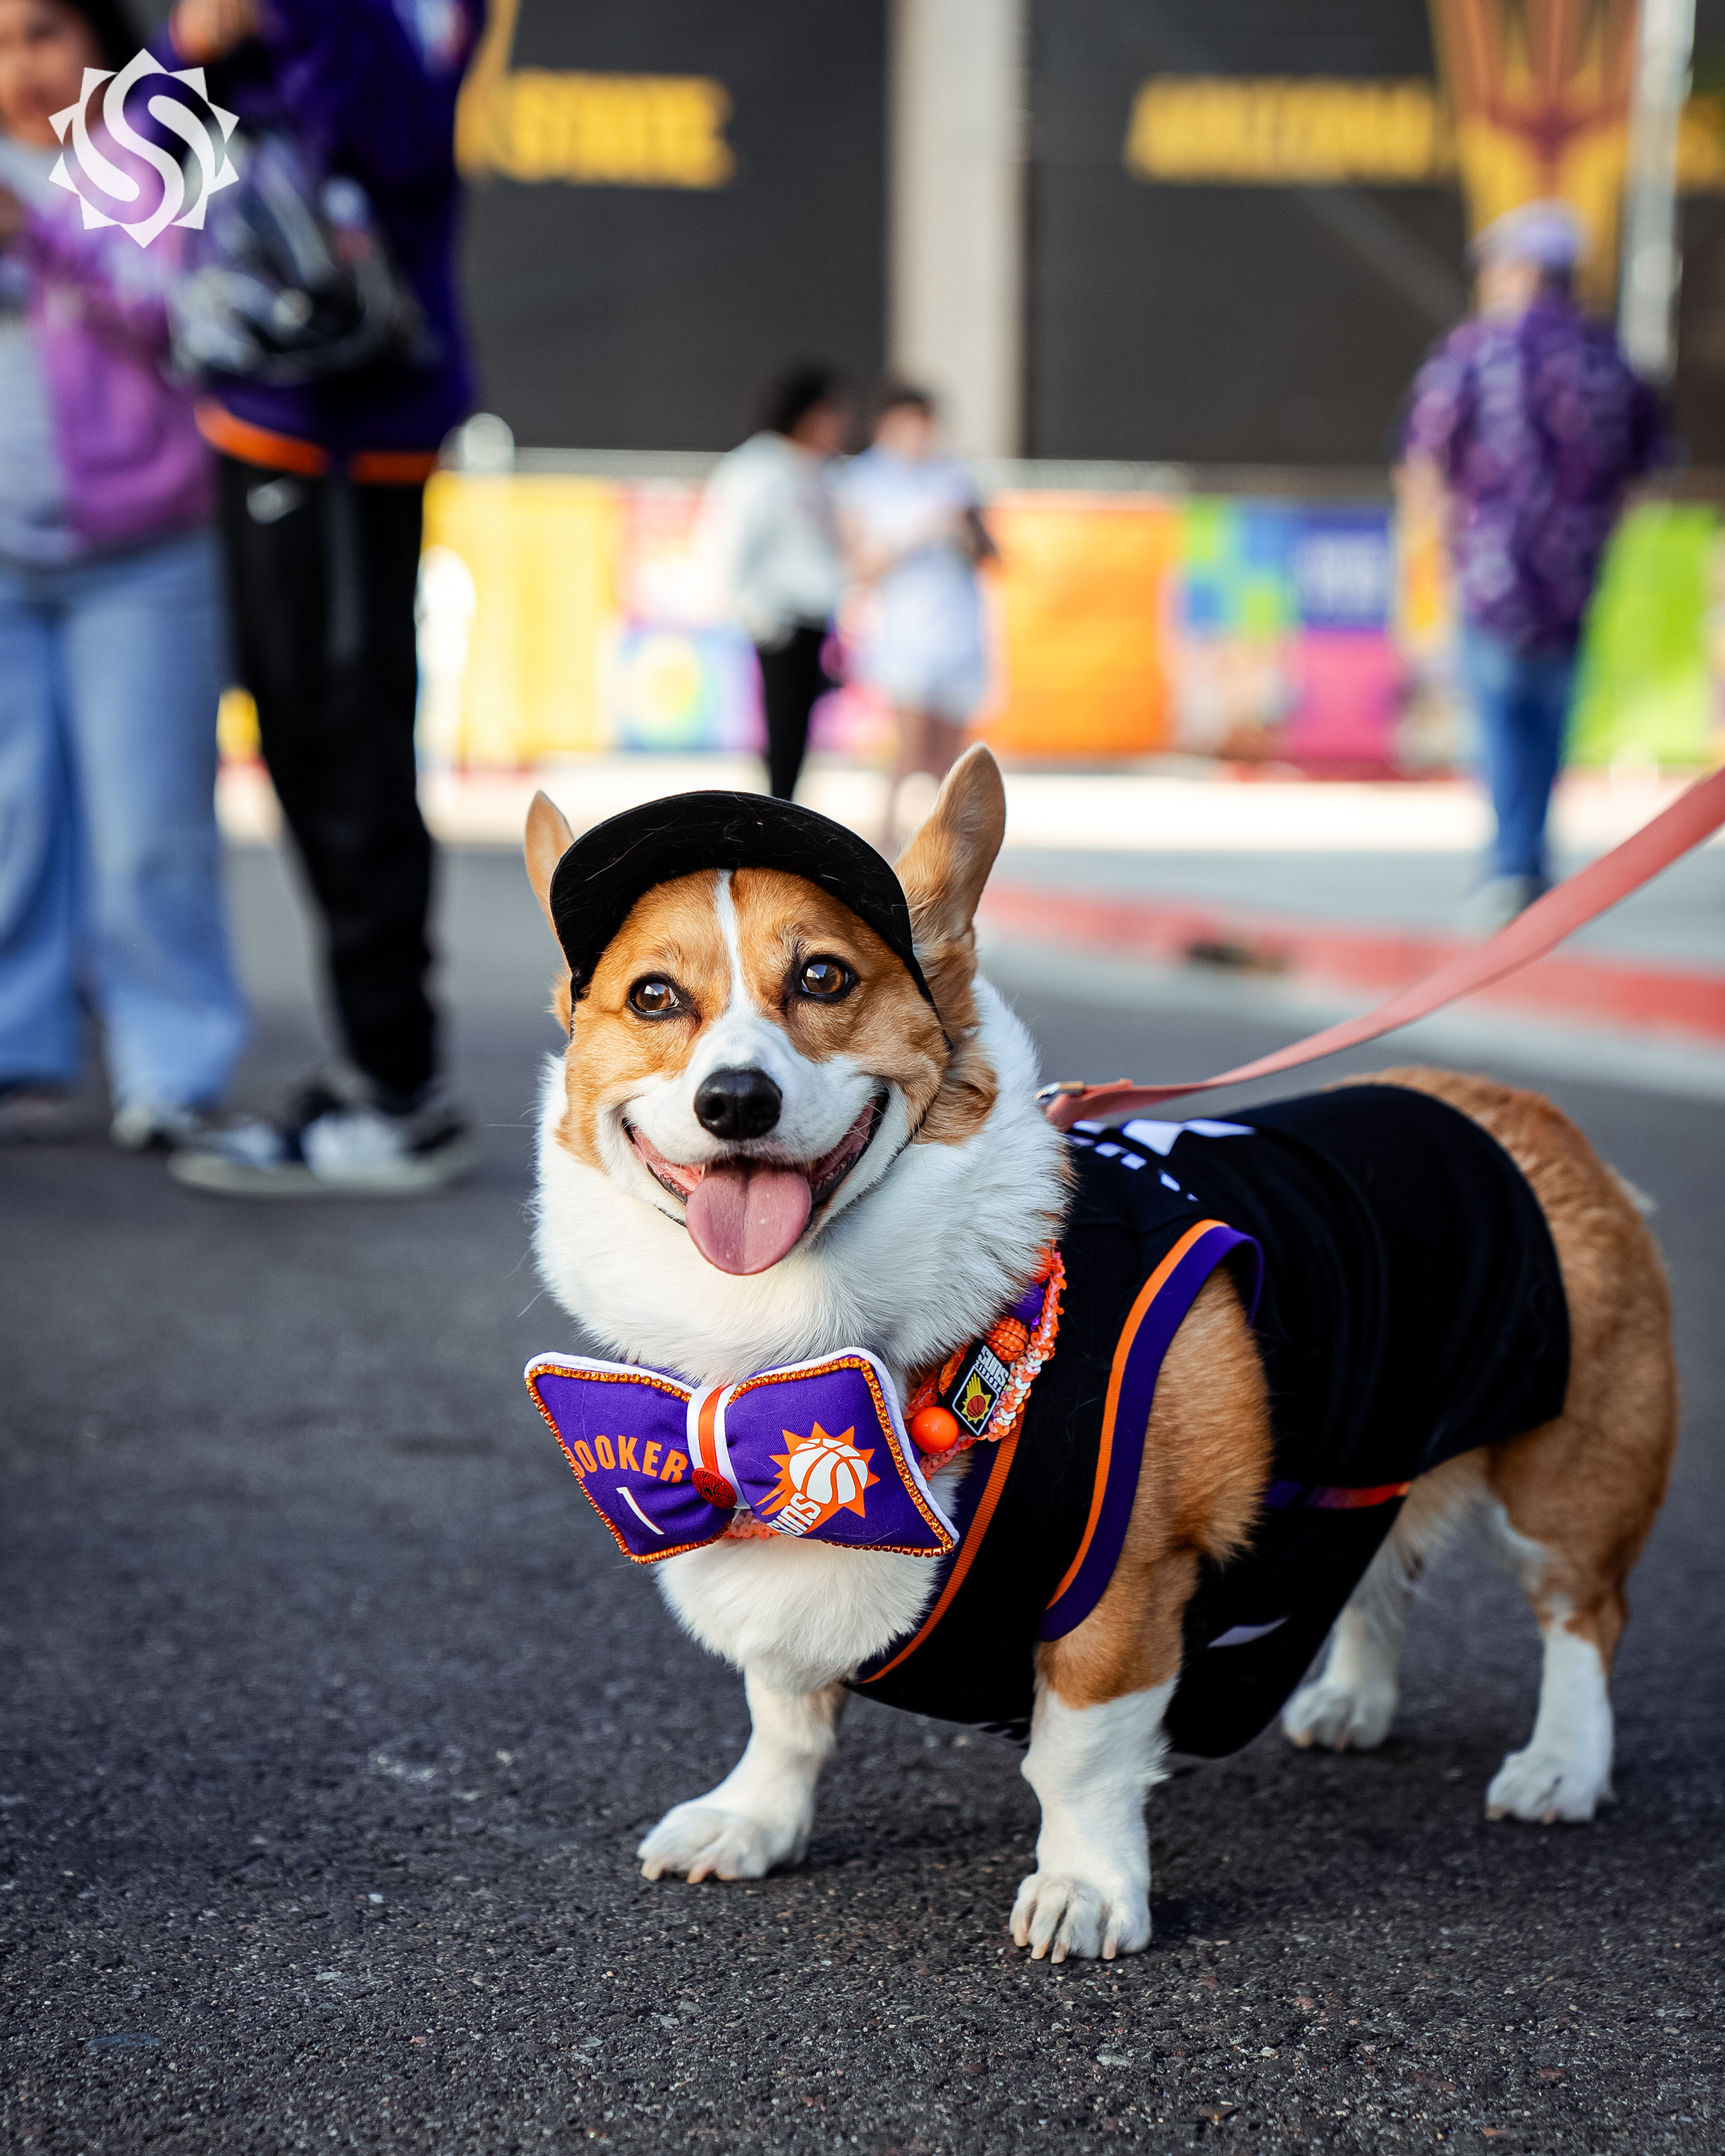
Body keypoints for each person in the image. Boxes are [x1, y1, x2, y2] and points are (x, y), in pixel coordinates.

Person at [159, 0, 482, 1196]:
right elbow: (120, 164)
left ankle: (397, 1091)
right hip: (257, 406)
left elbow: (397, 138)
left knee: (352, 751)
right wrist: (188, 50)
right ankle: (382, 1078)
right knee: (304, 746)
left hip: (362, 421)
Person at [0, 0, 247, 1149]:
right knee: (11, 822)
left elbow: (191, 319)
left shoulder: (159, 136)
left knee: (153, 831)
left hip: (147, 554)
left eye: (43, 31)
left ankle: (174, 1072)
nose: (21, 64)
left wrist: (38, 235)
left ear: (101, 33)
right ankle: (17, 1055)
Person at [1399, 199, 1662, 923]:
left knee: (1500, 726)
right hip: (1572, 581)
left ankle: (1511, 868)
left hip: (1490, 577)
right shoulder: (1611, 361)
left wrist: (1428, 551)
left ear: (1521, 269)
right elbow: (1646, 472)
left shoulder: (1474, 351)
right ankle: (1532, 862)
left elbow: (1424, 458)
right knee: (1547, 728)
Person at [837, 383, 994, 852]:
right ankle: (885, 838)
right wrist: (921, 530)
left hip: (957, 626)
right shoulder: (864, 479)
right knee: (909, 744)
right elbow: (862, 566)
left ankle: (946, 840)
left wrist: (966, 530)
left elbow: (989, 552)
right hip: (906, 630)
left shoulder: (955, 474)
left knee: (951, 751)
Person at [703, 364, 851, 802]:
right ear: (809, 414)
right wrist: (758, 616)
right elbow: (728, 547)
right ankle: (776, 819)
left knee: (801, 734)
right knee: (782, 733)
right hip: (780, 622)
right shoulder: (759, 468)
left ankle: (786, 812)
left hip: (816, 620)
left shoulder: (824, 472)